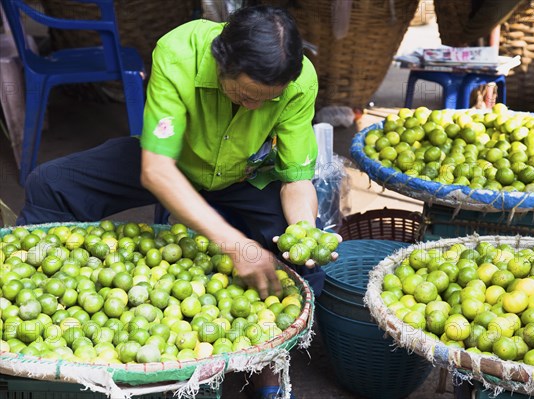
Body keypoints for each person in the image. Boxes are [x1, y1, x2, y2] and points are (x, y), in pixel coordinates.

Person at [17, 5, 327, 398]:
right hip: (174, 165)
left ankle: (266, 371)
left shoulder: (299, 81)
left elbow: (296, 179)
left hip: (244, 175)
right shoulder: (179, 51)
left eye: (268, 101)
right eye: (246, 95)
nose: (254, 107)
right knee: (50, 183)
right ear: (221, 62)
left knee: (304, 265)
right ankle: (42, 301)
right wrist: (233, 243)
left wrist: (304, 234)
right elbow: (157, 171)